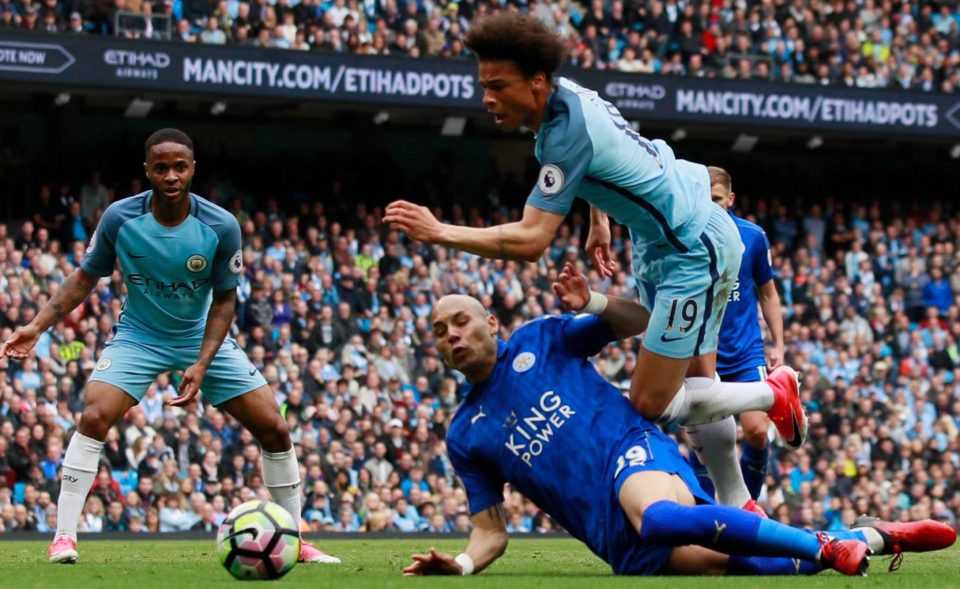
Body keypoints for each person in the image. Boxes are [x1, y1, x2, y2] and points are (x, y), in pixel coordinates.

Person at [383, 14, 809, 507]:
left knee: (653, 401)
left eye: (498, 86)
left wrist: (439, 232)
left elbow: (529, 240)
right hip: (659, 239)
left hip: (692, 245)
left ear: (537, 81)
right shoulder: (569, 98)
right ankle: (740, 508)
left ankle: (774, 393)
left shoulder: (563, 134)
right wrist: (598, 219)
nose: (487, 98)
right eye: (484, 85)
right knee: (697, 380)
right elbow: (609, 156)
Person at [402, 268, 956, 577]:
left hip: (634, 451)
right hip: (609, 534)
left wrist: (592, 300)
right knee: (760, 570)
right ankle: (870, 536)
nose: (452, 334)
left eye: (461, 321)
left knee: (661, 517)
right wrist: (464, 566)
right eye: (439, 331)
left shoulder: (540, 338)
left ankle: (825, 545)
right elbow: (490, 531)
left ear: (490, 322)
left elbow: (638, 321)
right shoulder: (465, 432)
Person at [1, 129, 339, 566]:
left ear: (193, 168)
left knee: (274, 426)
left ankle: (294, 539)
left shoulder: (220, 225)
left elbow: (224, 299)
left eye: (180, 166)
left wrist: (202, 362)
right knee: (94, 414)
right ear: (147, 171)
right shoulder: (120, 219)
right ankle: (64, 537)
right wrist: (36, 326)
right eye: (161, 167)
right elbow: (85, 277)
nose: (172, 175)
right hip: (139, 336)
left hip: (201, 337)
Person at [685, 167, 786, 509]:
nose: (711, 207)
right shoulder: (686, 236)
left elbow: (768, 293)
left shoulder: (753, 237)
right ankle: (704, 511)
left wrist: (779, 344)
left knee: (756, 430)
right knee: (707, 439)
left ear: (730, 199)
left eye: (716, 200)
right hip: (701, 352)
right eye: (704, 200)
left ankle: (747, 507)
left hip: (745, 353)